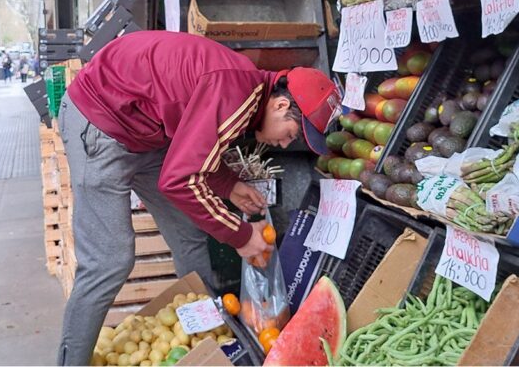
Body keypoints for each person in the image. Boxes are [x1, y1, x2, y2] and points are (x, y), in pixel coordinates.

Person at [56, 31, 341, 365]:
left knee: (188, 234)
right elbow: (179, 180)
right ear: (280, 105)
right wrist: (240, 235)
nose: (282, 144)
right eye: (290, 134)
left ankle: (205, 336)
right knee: (109, 261)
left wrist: (229, 185)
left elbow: (193, 147)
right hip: (100, 121)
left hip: (144, 134)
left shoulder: (244, 91)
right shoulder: (238, 93)